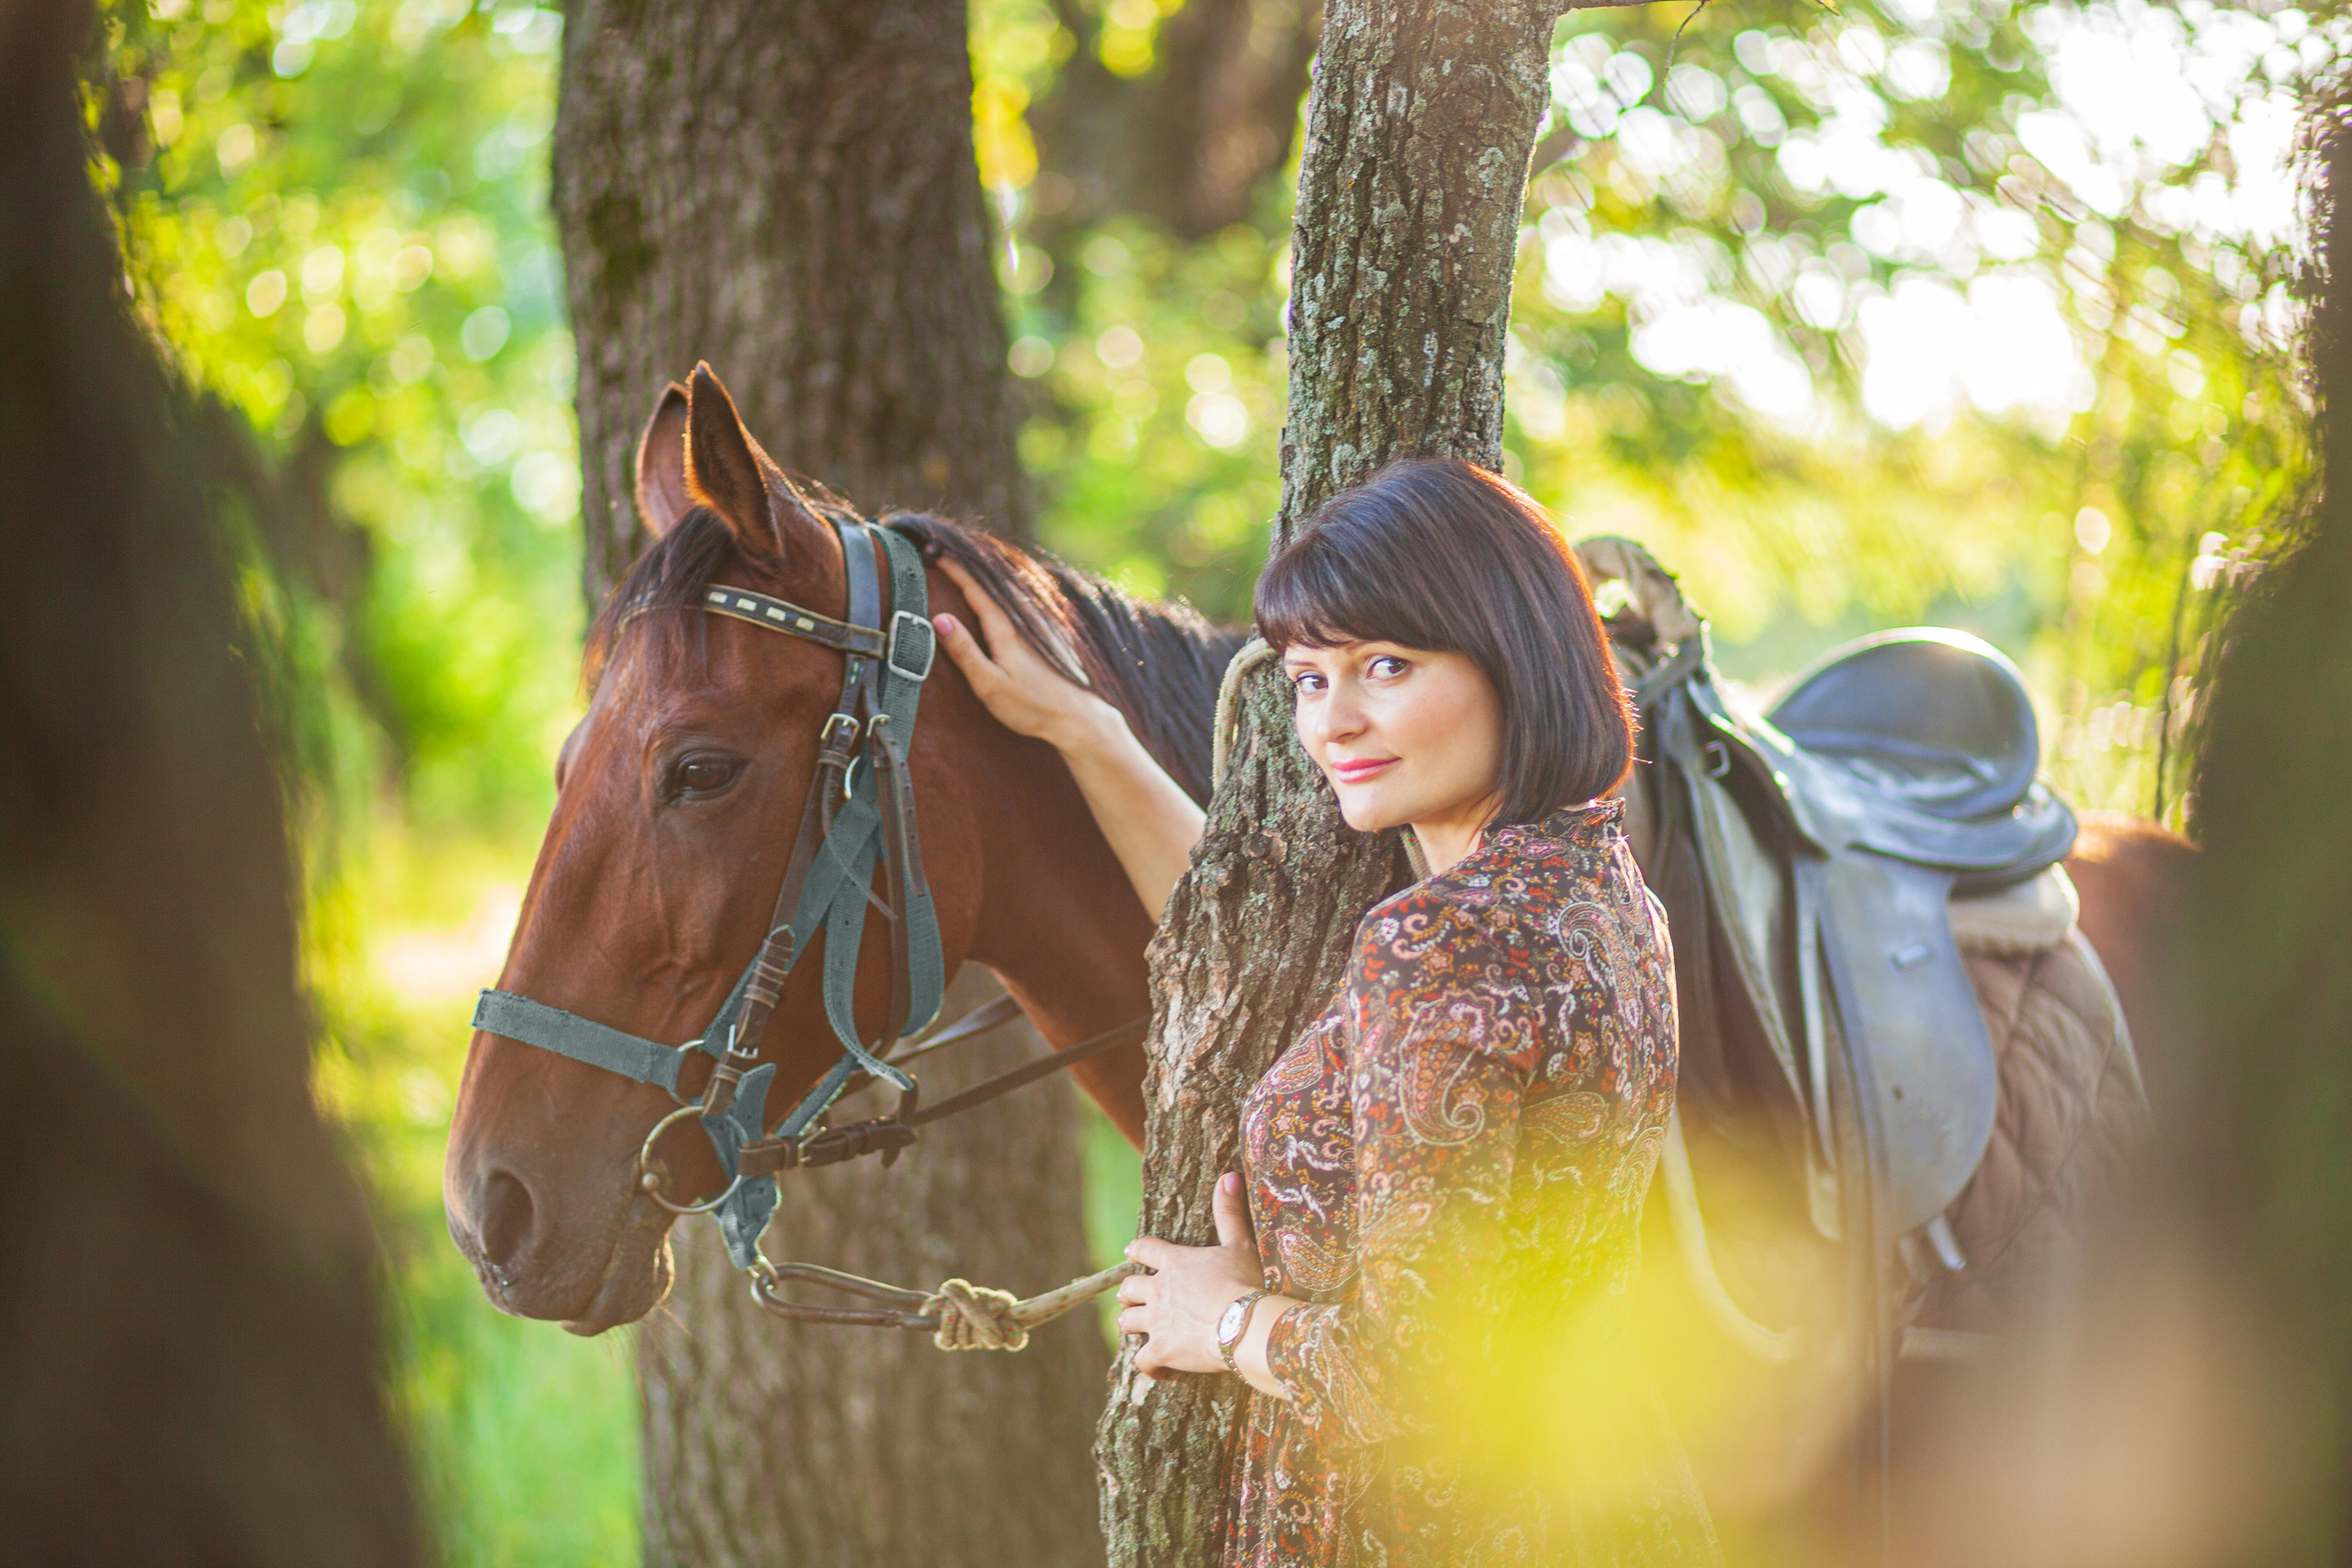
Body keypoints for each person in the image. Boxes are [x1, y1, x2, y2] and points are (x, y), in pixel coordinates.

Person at [930, 457, 1716, 1566]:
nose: (1334, 721)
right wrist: (1089, 734)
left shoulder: (1437, 945)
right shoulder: (1595, 889)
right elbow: (1269, 993)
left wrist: (1228, 1324)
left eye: (1385, 667)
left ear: (1514, 658)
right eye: (1305, 679)